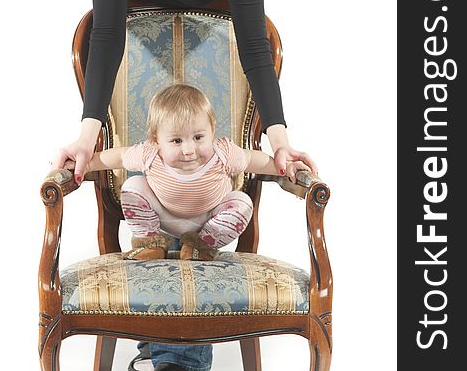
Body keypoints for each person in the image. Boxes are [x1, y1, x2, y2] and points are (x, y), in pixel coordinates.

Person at [52, 0, 317, 371]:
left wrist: (281, 141)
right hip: (146, 85)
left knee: (208, 212)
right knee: (150, 194)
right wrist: (86, 134)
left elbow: (252, 46)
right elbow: (106, 32)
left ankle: (178, 353)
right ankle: (169, 350)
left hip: (208, 78)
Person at [68, 84, 310, 263]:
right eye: (176, 140)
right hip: (162, 219)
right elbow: (118, 157)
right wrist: (86, 164)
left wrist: (284, 165)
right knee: (133, 186)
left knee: (242, 202)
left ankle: (200, 247)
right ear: (156, 140)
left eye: (198, 137)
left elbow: (253, 160)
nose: (188, 150)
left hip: (207, 220)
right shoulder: (150, 153)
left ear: (212, 130)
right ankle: (150, 243)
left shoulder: (222, 152)